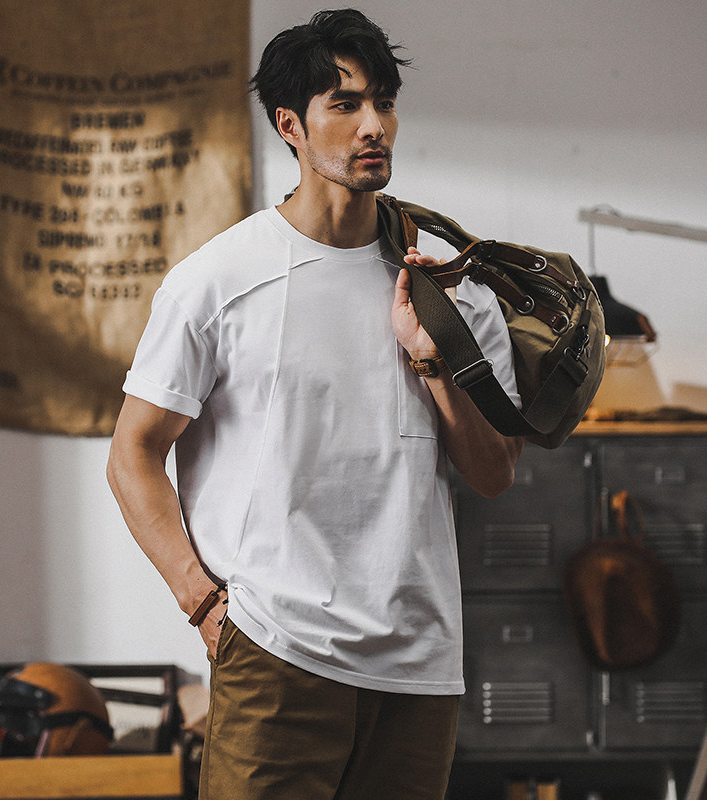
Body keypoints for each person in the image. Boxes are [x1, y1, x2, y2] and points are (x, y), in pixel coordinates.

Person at [107, 8, 524, 799]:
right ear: (289, 126)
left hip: (419, 660)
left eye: (384, 103)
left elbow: (494, 471)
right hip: (278, 650)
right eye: (346, 104)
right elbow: (133, 452)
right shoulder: (218, 281)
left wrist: (434, 360)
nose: (374, 126)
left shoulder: (451, 287)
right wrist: (201, 602)